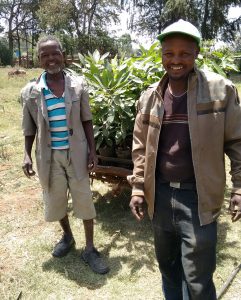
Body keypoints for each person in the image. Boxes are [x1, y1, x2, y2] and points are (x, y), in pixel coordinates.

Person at [128, 19, 241, 299]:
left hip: (198, 198)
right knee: (168, 269)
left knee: (198, 278)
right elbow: (141, 148)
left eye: (184, 53)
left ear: (196, 54)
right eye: (169, 53)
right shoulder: (150, 97)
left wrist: (239, 187)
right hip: (161, 196)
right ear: (161, 55)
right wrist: (139, 188)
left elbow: (238, 142)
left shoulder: (220, 91)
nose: (176, 60)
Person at [21, 35, 109, 275]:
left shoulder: (78, 85)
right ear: (39, 59)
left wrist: (92, 150)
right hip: (49, 157)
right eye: (45, 55)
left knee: (84, 200)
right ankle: (68, 237)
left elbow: (87, 119)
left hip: (77, 153)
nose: (51, 59)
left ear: (63, 54)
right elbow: (29, 129)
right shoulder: (31, 91)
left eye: (54, 53)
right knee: (56, 198)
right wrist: (26, 155)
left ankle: (90, 248)